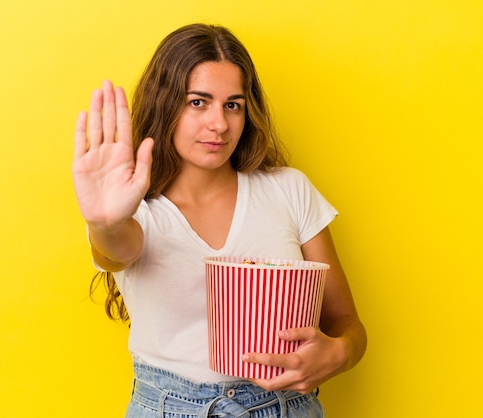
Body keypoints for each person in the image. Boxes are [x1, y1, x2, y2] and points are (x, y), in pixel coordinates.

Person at [72, 23, 367, 418]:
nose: (219, 124)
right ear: (166, 104)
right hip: (168, 407)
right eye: (198, 102)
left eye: (233, 104)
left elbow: (347, 322)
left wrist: (341, 352)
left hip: (286, 406)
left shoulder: (288, 190)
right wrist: (104, 223)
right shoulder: (135, 211)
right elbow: (116, 249)